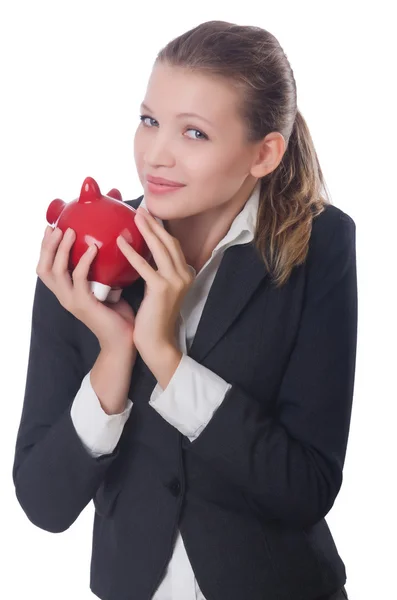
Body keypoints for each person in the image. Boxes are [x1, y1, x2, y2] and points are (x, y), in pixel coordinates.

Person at [12, 20, 357, 600]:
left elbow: (305, 487)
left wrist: (167, 360)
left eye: (194, 133)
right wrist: (115, 353)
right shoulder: (84, 253)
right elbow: (44, 503)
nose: (156, 156)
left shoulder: (319, 245)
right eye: (149, 121)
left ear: (265, 152)